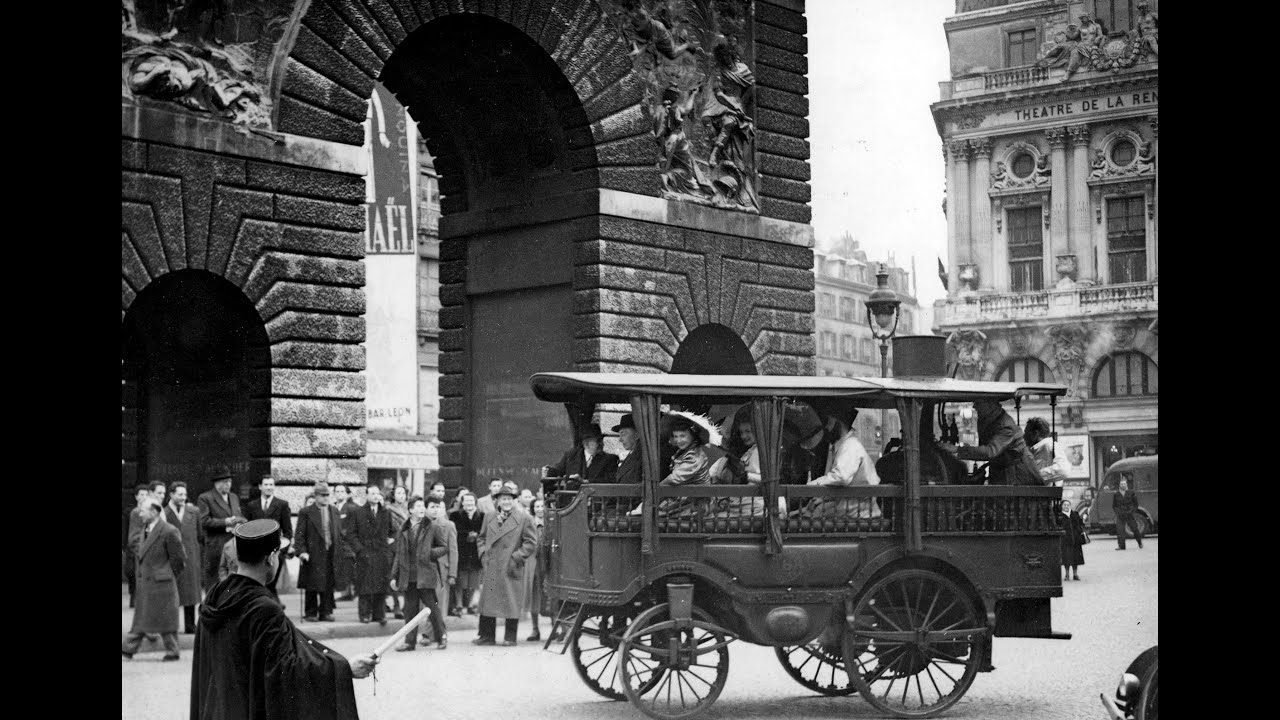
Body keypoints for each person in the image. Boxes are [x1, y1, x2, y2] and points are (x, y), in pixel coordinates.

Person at [190, 519, 377, 720]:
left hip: (217, 711)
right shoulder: (264, 608)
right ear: (271, 558)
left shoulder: (216, 595)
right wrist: (344, 669)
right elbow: (288, 673)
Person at [474, 481, 538, 647]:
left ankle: (510, 637)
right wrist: (483, 555)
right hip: (492, 565)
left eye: (509, 499)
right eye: (503, 499)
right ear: (497, 501)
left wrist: (517, 557)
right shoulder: (489, 516)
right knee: (488, 600)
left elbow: (531, 542)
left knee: (511, 602)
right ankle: (487, 636)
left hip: (510, 565)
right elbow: (481, 538)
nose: (506, 502)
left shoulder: (524, 518)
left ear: (514, 500)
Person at [122, 499, 187, 661]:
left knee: (158, 618)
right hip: (150, 582)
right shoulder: (147, 529)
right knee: (147, 616)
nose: (140, 514)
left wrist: (167, 574)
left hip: (161, 582)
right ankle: (131, 648)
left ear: (154, 512)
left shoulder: (168, 531)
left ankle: (129, 648)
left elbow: (179, 559)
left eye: (143, 511)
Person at [389, 496, 450, 651]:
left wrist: (429, 553)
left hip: (425, 575)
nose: (421, 509)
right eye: (417, 506)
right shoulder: (403, 528)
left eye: (423, 506)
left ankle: (441, 637)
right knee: (410, 610)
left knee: (432, 608)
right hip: (408, 576)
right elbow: (398, 554)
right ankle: (409, 642)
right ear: (410, 510)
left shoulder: (432, 527)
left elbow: (443, 547)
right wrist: (394, 576)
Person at [940, 399, 1045, 486]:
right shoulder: (990, 421)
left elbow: (990, 451)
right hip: (1004, 474)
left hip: (1019, 477)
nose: (975, 406)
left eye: (979, 403)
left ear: (991, 405)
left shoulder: (1006, 426)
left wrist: (957, 449)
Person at [803, 407, 882, 519]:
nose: (826, 427)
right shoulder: (843, 445)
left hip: (860, 510)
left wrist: (811, 486)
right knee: (810, 510)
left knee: (813, 514)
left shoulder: (851, 446)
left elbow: (841, 477)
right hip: (852, 505)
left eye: (829, 422)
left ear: (839, 424)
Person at [295, 481, 343, 622]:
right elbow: (299, 535)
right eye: (322, 495)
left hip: (330, 552)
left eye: (327, 495)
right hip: (312, 553)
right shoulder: (306, 512)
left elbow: (338, 532)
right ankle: (310, 613)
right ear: (316, 496)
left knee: (328, 584)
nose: (326, 498)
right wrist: (302, 551)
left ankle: (325, 612)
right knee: (312, 584)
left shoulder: (334, 510)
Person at [351, 484, 396, 625]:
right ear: (366, 495)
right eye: (372, 493)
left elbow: (393, 531)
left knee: (381, 586)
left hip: (381, 554)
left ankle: (379, 614)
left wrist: (389, 542)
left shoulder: (385, 513)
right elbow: (351, 534)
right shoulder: (358, 512)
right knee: (364, 586)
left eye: (378, 493)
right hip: (365, 554)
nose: (376, 496)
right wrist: (360, 550)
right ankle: (364, 614)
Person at [245, 475, 294, 599]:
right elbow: (248, 529)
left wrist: (282, 551)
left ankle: (272, 607)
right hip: (257, 554)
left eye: (271, 485)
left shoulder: (282, 504)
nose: (269, 487)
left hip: (275, 553)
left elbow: (288, 531)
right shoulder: (252, 506)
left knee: (270, 584)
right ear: (260, 487)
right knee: (261, 584)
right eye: (266, 485)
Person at [197, 469, 246, 592]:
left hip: (233, 545)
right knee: (214, 581)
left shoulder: (234, 497)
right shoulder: (205, 498)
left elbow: (237, 515)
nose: (228, 484)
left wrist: (241, 521)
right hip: (216, 545)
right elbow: (204, 521)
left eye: (229, 481)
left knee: (233, 579)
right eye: (225, 482)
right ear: (217, 483)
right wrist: (226, 522)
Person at [164, 481, 203, 633]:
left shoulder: (194, 511)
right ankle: (169, 625)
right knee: (171, 591)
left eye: (185, 494)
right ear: (171, 494)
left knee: (190, 592)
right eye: (179, 494)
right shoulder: (164, 512)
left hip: (191, 556)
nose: (183, 497)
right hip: (172, 557)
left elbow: (200, 535)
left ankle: (189, 624)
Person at [545, 423, 619, 488]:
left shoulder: (610, 459)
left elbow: (610, 481)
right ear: (586, 444)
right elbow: (558, 471)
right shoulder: (571, 456)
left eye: (602, 440)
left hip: (596, 501)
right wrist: (548, 472)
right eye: (598, 441)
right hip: (571, 501)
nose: (602, 444)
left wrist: (585, 482)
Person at [424, 494, 458, 633]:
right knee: (426, 604)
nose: (437, 510)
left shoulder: (449, 526)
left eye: (440, 508)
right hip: (426, 570)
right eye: (434, 507)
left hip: (442, 571)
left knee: (440, 603)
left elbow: (453, 551)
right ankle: (427, 633)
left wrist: (452, 574)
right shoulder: (424, 525)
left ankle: (440, 634)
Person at [449, 491, 484, 616]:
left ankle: (469, 604)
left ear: (475, 502)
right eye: (466, 501)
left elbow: (484, 532)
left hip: (475, 551)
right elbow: (454, 532)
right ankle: (458, 604)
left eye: (471, 500)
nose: (469, 503)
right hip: (461, 550)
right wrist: (465, 536)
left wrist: (477, 535)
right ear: (462, 503)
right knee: (460, 579)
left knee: (473, 580)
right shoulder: (455, 515)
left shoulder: (482, 516)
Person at [525, 497, 549, 641]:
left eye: (542, 506)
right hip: (533, 564)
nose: (539, 509)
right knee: (535, 595)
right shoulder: (529, 524)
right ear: (533, 509)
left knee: (549, 596)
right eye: (537, 506)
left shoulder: (551, 524)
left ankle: (557, 629)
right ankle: (535, 629)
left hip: (547, 563)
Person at [124, 483, 152, 608]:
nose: (144, 497)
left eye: (147, 494)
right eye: (141, 494)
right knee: (131, 573)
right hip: (132, 547)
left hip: (141, 547)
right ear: (136, 497)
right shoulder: (133, 512)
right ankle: (134, 597)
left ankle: (136, 600)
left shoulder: (152, 511)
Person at [385, 485, 411, 619]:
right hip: (395, 545)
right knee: (394, 576)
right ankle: (396, 606)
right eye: (398, 493)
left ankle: (407, 606)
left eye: (403, 493)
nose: (401, 496)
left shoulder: (410, 509)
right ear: (393, 495)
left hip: (409, 546)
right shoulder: (388, 510)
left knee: (406, 576)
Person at [332, 484, 358, 602]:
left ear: (347, 494)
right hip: (336, 544)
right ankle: (346, 592)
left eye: (342, 491)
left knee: (350, 569)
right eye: (337, 491)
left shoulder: (352, 508)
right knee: (341, 570)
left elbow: (353, 526)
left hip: (347, 544)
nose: (339, 493)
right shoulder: (332, 507)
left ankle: (352, 592)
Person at [1024, 417, 1068, 485]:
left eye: (1026, 433)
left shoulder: (1050, 445)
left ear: (1036, 433)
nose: (1024, 436)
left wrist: (1035, 476)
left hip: (1047, 494)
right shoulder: (1034, 449)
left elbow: (1063, 469)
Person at [1113, 475, 1145, 550]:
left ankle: (1139, 542)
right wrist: (1118, 513)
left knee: (1135, 529)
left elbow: (1136, 504)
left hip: (1129, 514)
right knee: (1120, 531)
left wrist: (1131, 512)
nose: (1123, 485)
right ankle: (1121, 546)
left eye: (1124, 484)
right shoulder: (1116, 494)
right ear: (1120, 485)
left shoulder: (1131, 493)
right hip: (1120, 515)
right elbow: (1114, 506)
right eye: (1121, 484)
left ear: (1126, 485)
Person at [1060, 500, 1087, 581]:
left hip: (1076, 539)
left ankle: (1075, 574)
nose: (1066, 506)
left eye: (1068, 505)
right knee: (1066, 558)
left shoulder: (1075, 514)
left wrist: (1083, 520)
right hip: (1066, 540)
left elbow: (1080, 524)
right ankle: (1067, 574)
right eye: (1064, 505)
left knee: (1076, 558)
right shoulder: (1060, 516)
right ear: (1062, 506)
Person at [613, 414, 642, 484]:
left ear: (637, 435)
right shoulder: (632, 454)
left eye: (623, 434)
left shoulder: (643, 456)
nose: (620, 439)